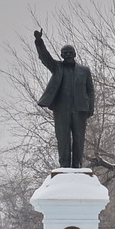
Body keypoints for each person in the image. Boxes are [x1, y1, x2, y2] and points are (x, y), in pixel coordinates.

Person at [34, 29, 94, 168]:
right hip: (61, 109)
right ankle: (64, 166)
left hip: (80, 110)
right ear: (61, 55)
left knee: (79, 139)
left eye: (70, 53)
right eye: (65, 53)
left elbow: (90, 90)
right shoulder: (57, 67)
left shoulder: (84, 70)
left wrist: (91, 108)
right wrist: (39, 41)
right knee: (63, 138)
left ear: (74, 54)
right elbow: (45, 58)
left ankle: (77, 164)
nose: (67, 55)